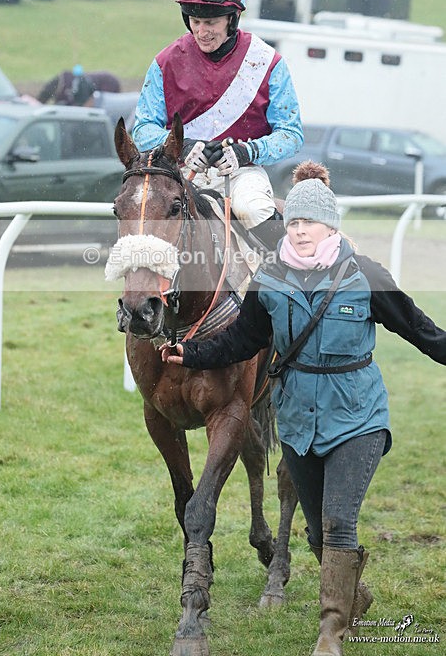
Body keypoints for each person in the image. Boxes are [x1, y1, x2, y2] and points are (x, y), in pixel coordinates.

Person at [160, 161, 446, 656]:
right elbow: (241, 341)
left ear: (330, 226)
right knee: (318, 530)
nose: (298, 231)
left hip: (358, 418)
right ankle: (352, 595)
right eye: (291, 223)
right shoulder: (269, 278)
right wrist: (191, 353)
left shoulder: (365, 274)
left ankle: (330, 634)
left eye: (308, 223)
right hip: (297, 423)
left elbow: (421, 330)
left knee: (339, 522)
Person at [132, 0, 304, 248]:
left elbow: (291, 134)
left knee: (253, 208)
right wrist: (183, 146)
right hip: (183, 173)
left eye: (210, 23)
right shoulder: (165, 62)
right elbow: (142, 129)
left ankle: (286, 280)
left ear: (232, 18)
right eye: (195, 22)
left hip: (241, 173)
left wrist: (246, 151)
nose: (201, 32)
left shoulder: (266, 61)